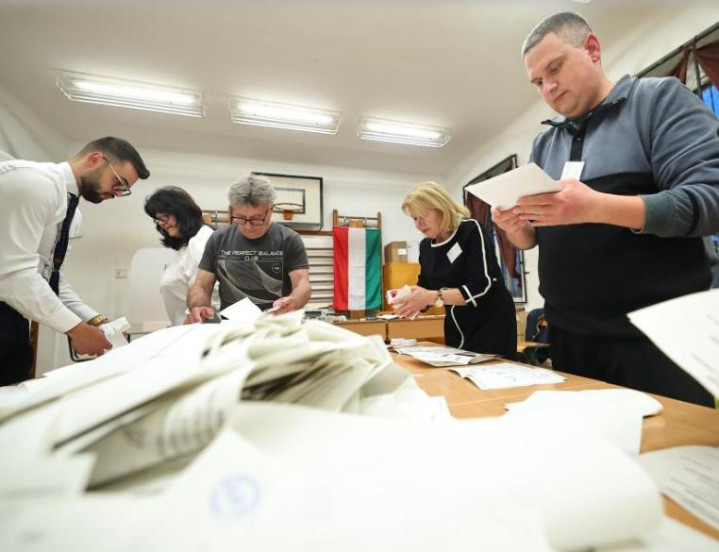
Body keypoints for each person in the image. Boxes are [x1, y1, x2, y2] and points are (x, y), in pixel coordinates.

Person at [492, 12, 719, 406]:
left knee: (669, 443)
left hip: (656, 337)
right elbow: (534, 237)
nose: (548, 87)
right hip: (570, 337)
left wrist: (596, 206)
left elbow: (710, 198)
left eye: (554, 68)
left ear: (592, 50)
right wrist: (515, 227)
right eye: (538, 82)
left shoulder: (658, 101)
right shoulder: (544, 145)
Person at [0, 136, 150, 385]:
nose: (116, 193)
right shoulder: (33, 184)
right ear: (95, 159)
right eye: (118, 182)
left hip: (14, 318)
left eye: (123, 190)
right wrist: (75, 329)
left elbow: (50, 277)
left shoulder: (71, 211)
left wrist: (96, 320)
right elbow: (12, 274)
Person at [394, 181, 517, 358]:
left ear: (441, 208)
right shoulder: (426, 246)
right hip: (456, 325)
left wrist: (430, 296)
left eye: (423, 216)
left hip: (490, 323)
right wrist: (410, 299)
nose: (419, 224)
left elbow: (481, 286)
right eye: (414, 218)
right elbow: (426, 286)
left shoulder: (470, 230)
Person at [187, 174, 311, 321]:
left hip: (277, 324)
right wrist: (198, 306)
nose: (247, 226)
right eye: (240, 217)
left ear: (271, 209)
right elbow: (201, 285)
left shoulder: (289, 239)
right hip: (233, 326)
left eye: (256, 218)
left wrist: (294, 301)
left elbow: (302, 284)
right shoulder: (218, 239)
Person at [144, 186, 220, 326]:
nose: (162, 223)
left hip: (199, 327)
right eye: (158, 219)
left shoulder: (199, 241)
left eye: (165, 216)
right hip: (189, 327)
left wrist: (192, 318)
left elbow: (211, 291)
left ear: (181, 211)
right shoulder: (186, 246)